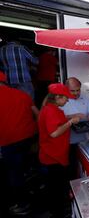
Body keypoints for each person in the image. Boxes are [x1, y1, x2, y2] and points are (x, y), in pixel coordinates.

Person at [38, 83, 80, 218]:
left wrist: (68, 118)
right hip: (52, 156)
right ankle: (59, 213)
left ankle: (59, 210)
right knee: (56, 189)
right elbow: (54, 133)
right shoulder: (50, 110)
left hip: (55, 154)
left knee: (56, 187)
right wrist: (70, 122)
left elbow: (56, 123)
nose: (67, 100)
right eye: (65, 98)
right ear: (57, 97)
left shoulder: (51, 109)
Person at [0, 71, 38, 216]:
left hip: (8, 141)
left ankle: (23, 205)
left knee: (14, 173)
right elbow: (37, 113)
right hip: (29, 137)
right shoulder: (22, 94)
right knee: (24, 167)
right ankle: (32, 189)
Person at [61, 77, 89, 179]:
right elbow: (56, 118)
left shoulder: (85, 98)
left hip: (84, 141)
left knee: (83, 167)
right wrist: (73, 116)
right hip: (67, 142)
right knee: (70, 169)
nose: (76, 93)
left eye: (78, 90)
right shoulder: (61, 100)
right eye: (72, 91)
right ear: (66, 89)